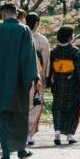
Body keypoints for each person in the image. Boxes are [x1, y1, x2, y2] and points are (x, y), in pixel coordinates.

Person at [0, 2, 39, 159]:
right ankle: (21, 150)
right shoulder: (24, 30)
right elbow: (28, 57)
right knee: (20, 114)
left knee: (2, 115)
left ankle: (6, 152)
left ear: (3, 14)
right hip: (18, 80)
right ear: (16, 13)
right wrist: (33, 77)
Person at [48, 26, 80, 146]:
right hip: (73, 85)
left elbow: (50, 70)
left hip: (58, 84)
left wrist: (49, 82)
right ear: (70, 37)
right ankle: (70, 135)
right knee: (73, 110)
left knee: (58, 108)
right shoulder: (75, 51)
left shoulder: (54, 52)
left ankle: (57, 132)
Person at [26, 12, 51, 146]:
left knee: (24, 103)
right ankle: (30, 134)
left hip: (22, 75)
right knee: (36, 104)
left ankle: (23, 132)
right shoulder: (42, 40)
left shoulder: (21, 36)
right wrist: (46, 76)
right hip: (37, 76)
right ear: (36, 24)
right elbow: (46, 60)